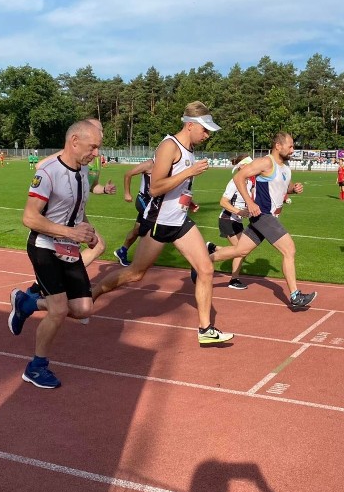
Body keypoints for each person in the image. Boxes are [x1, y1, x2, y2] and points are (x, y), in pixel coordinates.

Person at [90, 101, 233, 345]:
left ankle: (206, 329)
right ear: (190, 126)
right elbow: (155, 188)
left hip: (180, 222)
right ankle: (89, 295)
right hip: (159, 222)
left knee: (206, 269)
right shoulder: (169, 146)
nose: (207, 135)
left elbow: (176, 188)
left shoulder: (189, 150)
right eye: (205, 130)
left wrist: (188, 202)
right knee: (135, 274)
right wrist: (189, 173)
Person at [7, 120, 102, 388]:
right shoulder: (48, 173)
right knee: (59, 310)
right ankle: (36, 367)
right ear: (74, 141)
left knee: (84, 308)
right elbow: (29, 217)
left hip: (69, 247)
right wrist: (70, 233)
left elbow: (77, 210)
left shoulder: (83, 171)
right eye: (92, 147)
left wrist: (86, 231)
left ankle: (27, 304)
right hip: (43, 246)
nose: (96, 153)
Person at [205, 132, 317, 309]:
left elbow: (283, 188)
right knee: (289, 250)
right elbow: (238, 177)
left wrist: (293, 189)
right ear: (278, 146)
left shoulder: (286, 168)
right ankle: (295, 296)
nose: (293, 149)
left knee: (240, 251)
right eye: (290, 146)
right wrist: (249, 202)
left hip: (268, 217)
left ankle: (203, 262)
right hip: (263, 215)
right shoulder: (265, 162)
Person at [211, 154, 254, 289]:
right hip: (227, 219)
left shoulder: (250, 183)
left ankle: (213, 248)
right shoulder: (234, 181)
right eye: (250, 165)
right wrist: (239, 211)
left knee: (242, 250)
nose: (253, 168)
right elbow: (223, 202)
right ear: (242, 167)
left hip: (237, 221)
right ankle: (233, 279)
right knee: (240, 251)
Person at [113, 158, 155, 267]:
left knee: (138, 230)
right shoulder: (149, 164)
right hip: (143, 200)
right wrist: (127, 193)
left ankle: (122, 251)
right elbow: (128, 174)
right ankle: (141, 259)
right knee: (155, 226)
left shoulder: (166, 165)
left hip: (154, 203)